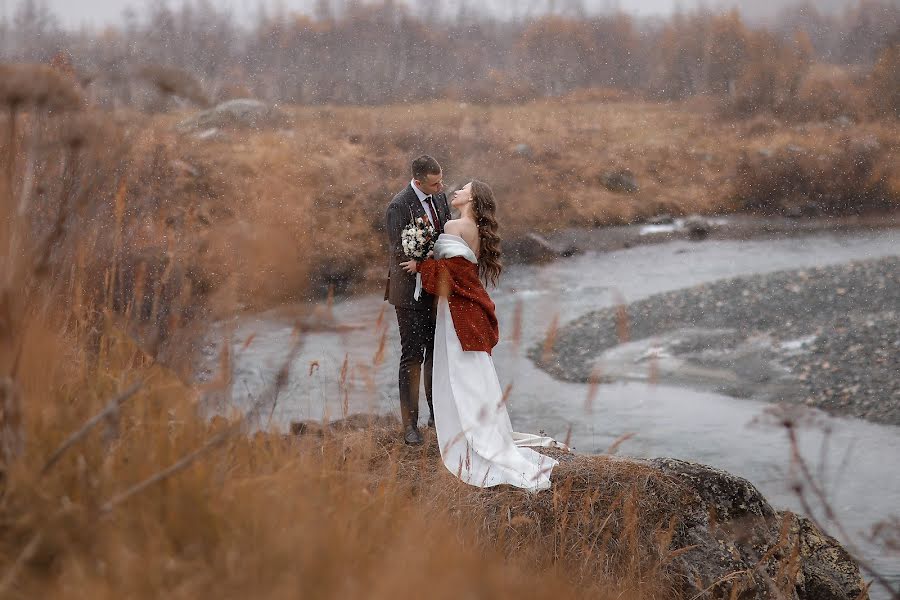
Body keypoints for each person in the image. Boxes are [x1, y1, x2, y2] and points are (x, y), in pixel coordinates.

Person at [401, 181, 560, 492]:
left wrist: (420, 265)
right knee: (474, 375)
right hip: (467, 308)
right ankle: (479, 427)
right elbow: (462, 272)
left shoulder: (453, 224)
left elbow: (450, 275)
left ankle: (469, 435)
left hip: (457, 311)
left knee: (459, 375)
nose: (457, 190)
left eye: (464, 188)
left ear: (471, 198)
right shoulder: (473, 228)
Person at [384, 155, 451, 445]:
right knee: (412, 357)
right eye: (435, 183)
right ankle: (409, 426)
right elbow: (399, 251)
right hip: (409, 294)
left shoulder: (441, 198)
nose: (441, 186)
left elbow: (445, 233)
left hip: (436, 290)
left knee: (436, 355)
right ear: (418, 181)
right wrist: (427, 256)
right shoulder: (398, 205)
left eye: (441, 180)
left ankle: (437, 417)